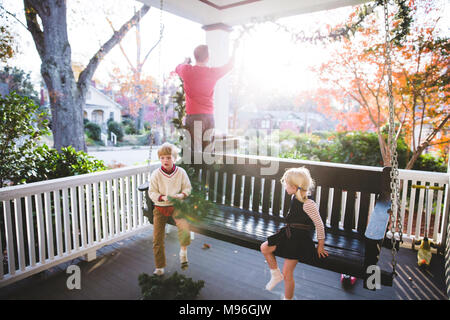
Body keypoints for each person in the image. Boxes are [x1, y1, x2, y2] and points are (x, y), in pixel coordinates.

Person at [260, 167, 328, 300]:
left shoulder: (308, 203)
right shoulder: (294, 197)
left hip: (298, 240)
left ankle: (288, 298)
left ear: (295, 186)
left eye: (286, 184)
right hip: (289, 233)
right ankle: (275, 274)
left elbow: (319, 225)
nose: (284, 186)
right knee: (264, 247)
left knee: (287, 273)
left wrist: (320, 245)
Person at [175, 43, 238, 156]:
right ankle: (207, 173)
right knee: (208, 153)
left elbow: (177, 67)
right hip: (209, 118)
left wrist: (185, 61)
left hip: (194, 117)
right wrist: (234, 48)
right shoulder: (212, 72)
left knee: (195, 154)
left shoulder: (186, 70)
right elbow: (230, 65)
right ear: (208, 57)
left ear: (195, 57)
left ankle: (196, 172)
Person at [148, 143, 192, 275]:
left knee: (184, 227)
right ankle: (160, 266)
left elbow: (187, 188)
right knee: (157, 238)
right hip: (160, 207)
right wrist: (161, 197)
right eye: (162, 158)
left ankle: (183, 252)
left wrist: (181, 195)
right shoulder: (156, 174)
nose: (165, 160)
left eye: (168, 157)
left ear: (174, 158)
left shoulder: (181, 173)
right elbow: (152, 192)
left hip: (177, 205)